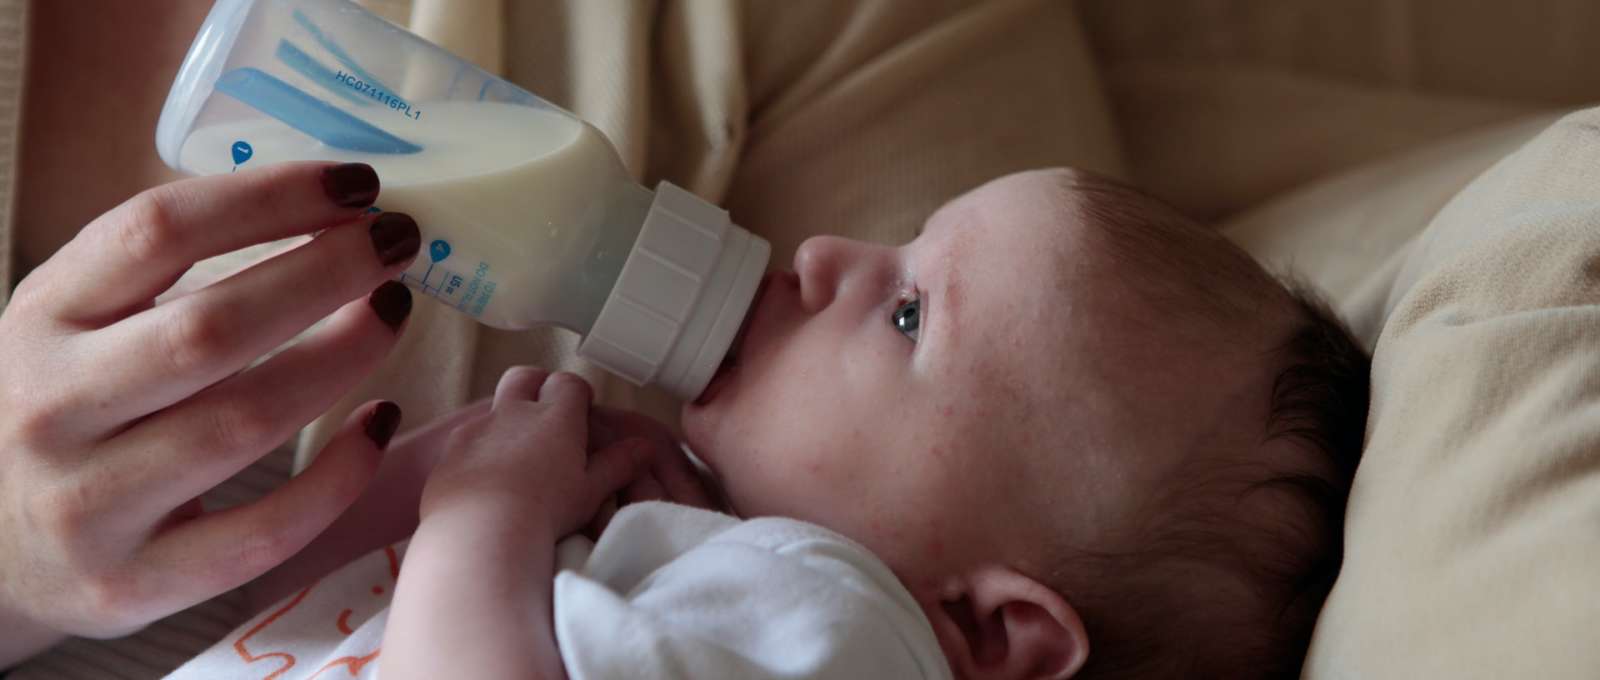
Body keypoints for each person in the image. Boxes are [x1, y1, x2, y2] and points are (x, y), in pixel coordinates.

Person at [160, 168, 1372, 679]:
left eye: (905, 315)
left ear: (985, 632)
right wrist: (437, 492)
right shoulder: (718, 573)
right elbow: (287, 624)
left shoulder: (845, 631)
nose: (826, 251)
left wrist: (483, 518)